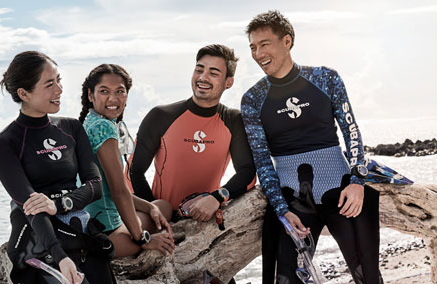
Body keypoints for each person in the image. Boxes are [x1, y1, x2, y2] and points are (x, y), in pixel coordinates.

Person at [241, 11, 383, 283]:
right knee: (285, 279)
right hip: (293, 198)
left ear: (287, 41)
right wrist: (282, 210)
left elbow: (351, 131)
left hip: (340, 190)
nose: (258, 54)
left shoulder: (325, 79)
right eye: (253, 48)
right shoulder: (253, 99)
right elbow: (262, 161)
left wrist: (357, 181)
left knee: (368, 276)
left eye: (264, 44)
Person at [0, 51, 116, 284]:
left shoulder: (71, 128)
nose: (59, 90)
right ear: (24, 93)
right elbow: (31, 209)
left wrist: (58, 204)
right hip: (36, 237)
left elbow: (95, 185)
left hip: (75, 226)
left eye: (59, 80)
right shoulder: (5, 143)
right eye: (50, 84)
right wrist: (60, 258)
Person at [129, 44, 256, 224]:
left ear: (229, 82)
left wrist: (217, 197)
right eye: (199, 70)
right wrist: (154, 211)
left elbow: (248, 173)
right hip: (160, 217)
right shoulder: (161, 116)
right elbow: (134, 171)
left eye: (213, 73)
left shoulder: (233, 120)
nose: (203, 78)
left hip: (206, 221)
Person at [79, 63, 175, 257]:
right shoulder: (103, 128)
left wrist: (149, 207)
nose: (113, 99)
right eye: (104, 91)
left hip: (90, 224)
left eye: (120, 91)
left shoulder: (89, 122)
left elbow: (107, 191)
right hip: (106, 236)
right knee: (164, 209)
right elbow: (118, 190)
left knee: (158, 207)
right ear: (91, 95)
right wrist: (144, 239)